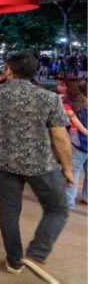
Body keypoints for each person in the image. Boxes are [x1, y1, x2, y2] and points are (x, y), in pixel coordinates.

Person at [0, 53, 73, 280]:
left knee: (9, 210)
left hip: (4, 163)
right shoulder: (49, 98)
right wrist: (67, 168)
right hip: (41, 164)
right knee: (57, 209)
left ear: (8, 70)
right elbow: (60, 138)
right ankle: (36, 255)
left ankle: (14, 260)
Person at [58, 78, 88, 208]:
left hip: (80, 142)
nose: (60, 87)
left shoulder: (67, 104)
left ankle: (68, 201)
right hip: (83, 141)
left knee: (72, 171)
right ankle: (86, 198)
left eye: (63, 85)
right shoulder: (85, 100)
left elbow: (74, 120)